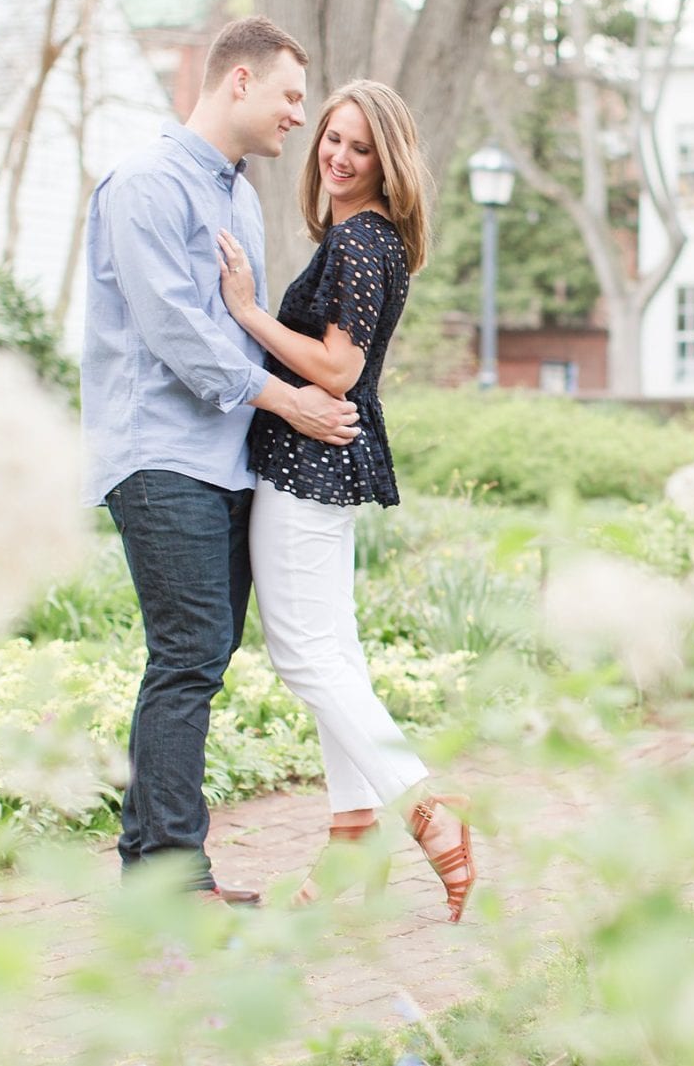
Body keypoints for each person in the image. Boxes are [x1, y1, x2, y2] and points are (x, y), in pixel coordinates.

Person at [81, 16, 361, 903]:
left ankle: (151, 862)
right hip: (157, 452)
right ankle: (169, 874)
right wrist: (290, 402)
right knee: (191, 651)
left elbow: (236, 325)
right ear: (238, 82)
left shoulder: (239, 197)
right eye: (288, 96)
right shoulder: (146, 184)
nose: (298, 117)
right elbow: (176, 334)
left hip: (220, 458)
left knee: (195, 653)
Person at [216, 79, 476, 922]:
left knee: (305, 656)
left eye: (359, 148)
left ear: (386, 162)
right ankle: (352, 831)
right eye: (332, 137)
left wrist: (249, 310)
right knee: (337, 652)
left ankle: (426, 813)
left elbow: (337, 370)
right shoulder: (368, 240)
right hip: (321, 467)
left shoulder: (363, 242)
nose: (337, 156)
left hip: (303, 468)